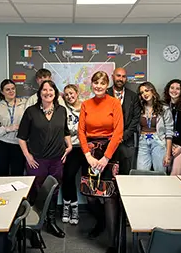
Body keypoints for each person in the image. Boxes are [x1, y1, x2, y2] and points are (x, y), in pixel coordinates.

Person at [18, 80, 72, 239]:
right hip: (37, 160)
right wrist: (28, 156)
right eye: (44, 90)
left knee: (54, 191)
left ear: (55, 93)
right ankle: (33, 227)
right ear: (40, 93)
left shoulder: (61, 110)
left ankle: (50, 222)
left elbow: (65, 131)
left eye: (51, 90)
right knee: (35, 191)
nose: (48, 92)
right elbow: (21, 138)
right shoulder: (31, 112)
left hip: (56, 160)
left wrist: (68, 146)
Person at [78, 71, 123, 253]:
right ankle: (102, 221)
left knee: (110, 197)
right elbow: (81, 132)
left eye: (102, 83)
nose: (98, 86)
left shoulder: (114, 103)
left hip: (109, 151)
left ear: (107, 85)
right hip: (90, 151)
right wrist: (88, 155)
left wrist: (106, 158)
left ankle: (112, 243)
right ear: (92, 84)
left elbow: (118, 132)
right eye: (96, 82)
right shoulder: (85, 104)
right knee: (90, 195)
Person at [0, 79, 26, 176]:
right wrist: (8, 129)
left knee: (18, 175)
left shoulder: (24, 104)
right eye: (7, 89)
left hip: (19, 145)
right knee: (2, 175)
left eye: (13, 88)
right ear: (2, 92)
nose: (11, 91)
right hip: (2, 145)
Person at [107, 67, 141, 174]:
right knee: (108, 173)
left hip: (126, 141)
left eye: (123, 76)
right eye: (118, 75)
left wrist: (123, 136)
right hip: (108, 140)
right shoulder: (104, 94)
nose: (120, 79)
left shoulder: (133, 96)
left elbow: (136, 118)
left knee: (125, 173)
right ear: (112, 77)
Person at [61, 84, 85, 225]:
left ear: (77, 93)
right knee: (68, 177)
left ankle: (76, 209)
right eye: (67, 95)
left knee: (87, 180)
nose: (70, 97)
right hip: (71, 148)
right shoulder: (63, 108)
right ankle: (69, 206)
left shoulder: (86, 107)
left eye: (72, 93)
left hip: (85, 148)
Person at [137, 82, 173, 172]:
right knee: (141, 172)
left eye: (146, 90)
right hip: (143, 141)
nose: (144, 94)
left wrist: (168, 154)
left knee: (160, 172)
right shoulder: (139, 108)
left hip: (158, 141)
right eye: (142, 92)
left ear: (152, 91)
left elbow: (169, 131)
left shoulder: (164, 108)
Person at [163, 79, 181, 175]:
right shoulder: (164, 106)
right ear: (168, 89)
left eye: (177, 89)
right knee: (165, 172)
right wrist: (169, 146)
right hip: (168, 144)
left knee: (176, 174)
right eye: (172, 88)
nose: (174, 91)